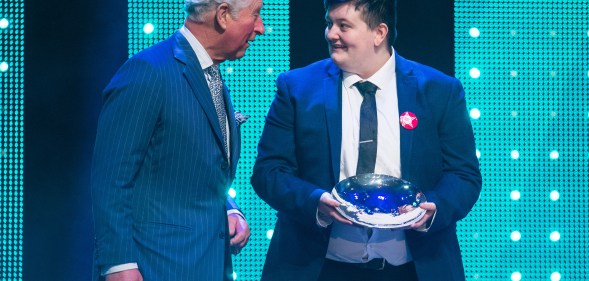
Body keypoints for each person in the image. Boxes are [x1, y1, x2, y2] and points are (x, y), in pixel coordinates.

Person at [251, 0, 481, 280]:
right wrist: (315, 202)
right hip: (318, 267)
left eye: (343, 26)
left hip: (413, 269)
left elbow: (464, 174)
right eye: (329, 23)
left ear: (379, 33)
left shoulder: (439, 90)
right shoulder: (297, 87)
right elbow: (269, 172)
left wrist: (433, 209)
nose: (330, 33)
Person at [90, 0, 264, 280]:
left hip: (207, 264)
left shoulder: (211, 76)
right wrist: (119, 264)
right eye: (255, 15)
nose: (261, 28)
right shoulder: (148, 71)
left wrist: (230, 211)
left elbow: (195, 173)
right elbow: (111, 180)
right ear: (222, 15)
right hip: (158, 266)